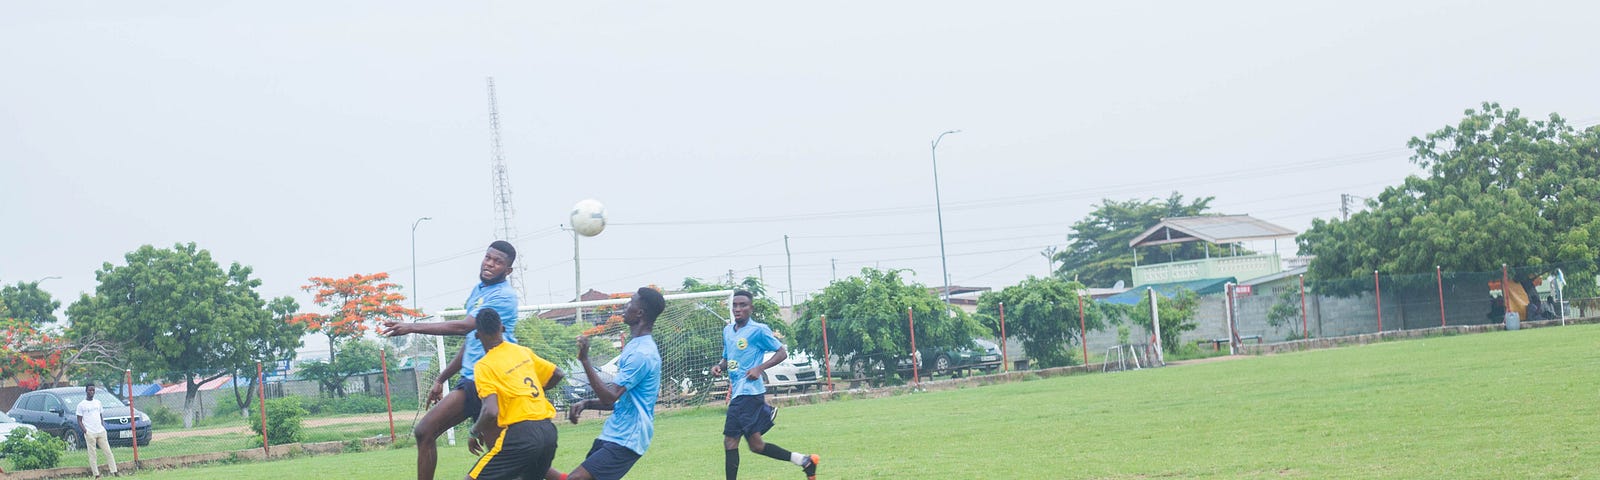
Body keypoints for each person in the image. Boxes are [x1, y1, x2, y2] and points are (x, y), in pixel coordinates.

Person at [381, 240, 520, 480]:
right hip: (472, 381)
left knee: (505, 456)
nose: (490, 264)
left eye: (498, 262)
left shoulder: (504, 297)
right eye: (488, 257)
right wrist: (441, 378)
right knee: (425, 431)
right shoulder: (479, 291)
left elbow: (463, 327)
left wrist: (411, 327)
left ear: (507, 271)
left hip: (495, 382)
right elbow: (471, 341)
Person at [547, 287, 666, 480]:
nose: (624, 307)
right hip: (614, 432)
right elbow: (613, 401)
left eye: (630, 303)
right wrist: (586, 404)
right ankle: (534, 465)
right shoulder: (634, 345)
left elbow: (610, 396)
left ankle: (533, 465)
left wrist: (585, 360)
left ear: (639, 313)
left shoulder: (642, 353)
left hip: (629, 438)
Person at [709, 290, 819, 480]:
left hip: (749, 393)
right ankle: (805, 461)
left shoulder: (758, 330)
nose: (737, 309)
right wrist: (719, 366)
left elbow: (781, 352)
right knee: (756, 446)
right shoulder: (728, 330)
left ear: (751, 308)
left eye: (743, 305)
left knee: (730, 441)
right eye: (735, 305)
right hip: (739, 393)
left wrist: (759, 368)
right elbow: (727, 357)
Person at [466, 308, 565, 480]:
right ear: (502, 328)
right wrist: (531, 393)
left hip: (521, 435)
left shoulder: (484, 365)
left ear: (477, 335)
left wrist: (474, 432)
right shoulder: (522, 351)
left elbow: (490, 411)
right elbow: (557, 373)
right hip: (548, 431)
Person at [76, 382, 118, 478]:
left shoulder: (98, 402)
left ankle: (114, 471)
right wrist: (86, 431)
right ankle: (96, 474)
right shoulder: (81, 405)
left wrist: (102, 427)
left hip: (100, 431)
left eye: (93, 390)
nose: (92, 392)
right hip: (90, 433)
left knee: (108, 452)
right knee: (93, 454)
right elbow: (79, 420)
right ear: (86, 391)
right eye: (90, 390)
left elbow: (100, 415)